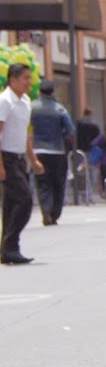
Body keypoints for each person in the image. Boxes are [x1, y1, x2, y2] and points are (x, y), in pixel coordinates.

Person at [0, 63, 45, 265]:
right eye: (25, 78)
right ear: (13, 80)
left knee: (11, 206)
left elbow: (24, 134)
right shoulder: (4, 101)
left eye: (29, 77)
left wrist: (32, 158)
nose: (29, 82)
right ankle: (11, 245)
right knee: (25, 200)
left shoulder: (25, 101)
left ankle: (7, 249)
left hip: (18, 159)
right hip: (6, 157)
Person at [30, 79, 74, 225]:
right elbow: (70, 130)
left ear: (39, 91)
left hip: (38, 150)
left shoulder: (32, 107)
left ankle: (46, 209)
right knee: (58, 183)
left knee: (42, 182)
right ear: (52, 92)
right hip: (57, 151)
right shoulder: (59, 109)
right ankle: (55, 213)